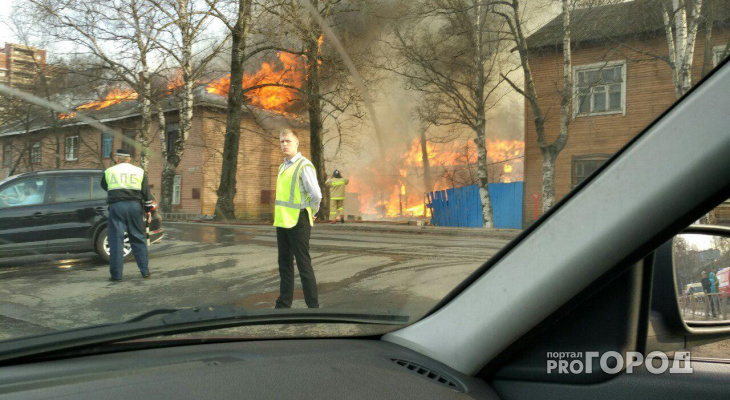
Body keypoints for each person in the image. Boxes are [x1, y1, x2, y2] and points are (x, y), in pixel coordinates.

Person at [273, 129, 321, 309]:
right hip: (283, 222)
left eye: (288, 141)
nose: (284, 144)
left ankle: (313, 306)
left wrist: (312, 211)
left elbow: (316, 194)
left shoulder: (304, 165)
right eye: (282, 141)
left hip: (299, 221)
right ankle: (284, 304)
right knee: (284, 265)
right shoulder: (282, 167)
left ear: (297, 143)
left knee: (303, 265)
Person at [101, 149, 154, 282]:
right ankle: (145, 272)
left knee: (116, 241)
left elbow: (104, 186)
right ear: (129, 159)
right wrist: (148, 210)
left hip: (117, 207)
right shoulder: (139, 171)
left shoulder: (109, 171)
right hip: (135, 207)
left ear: (117, 158)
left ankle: (116, 275)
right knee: (138, 238)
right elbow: (146, 193)